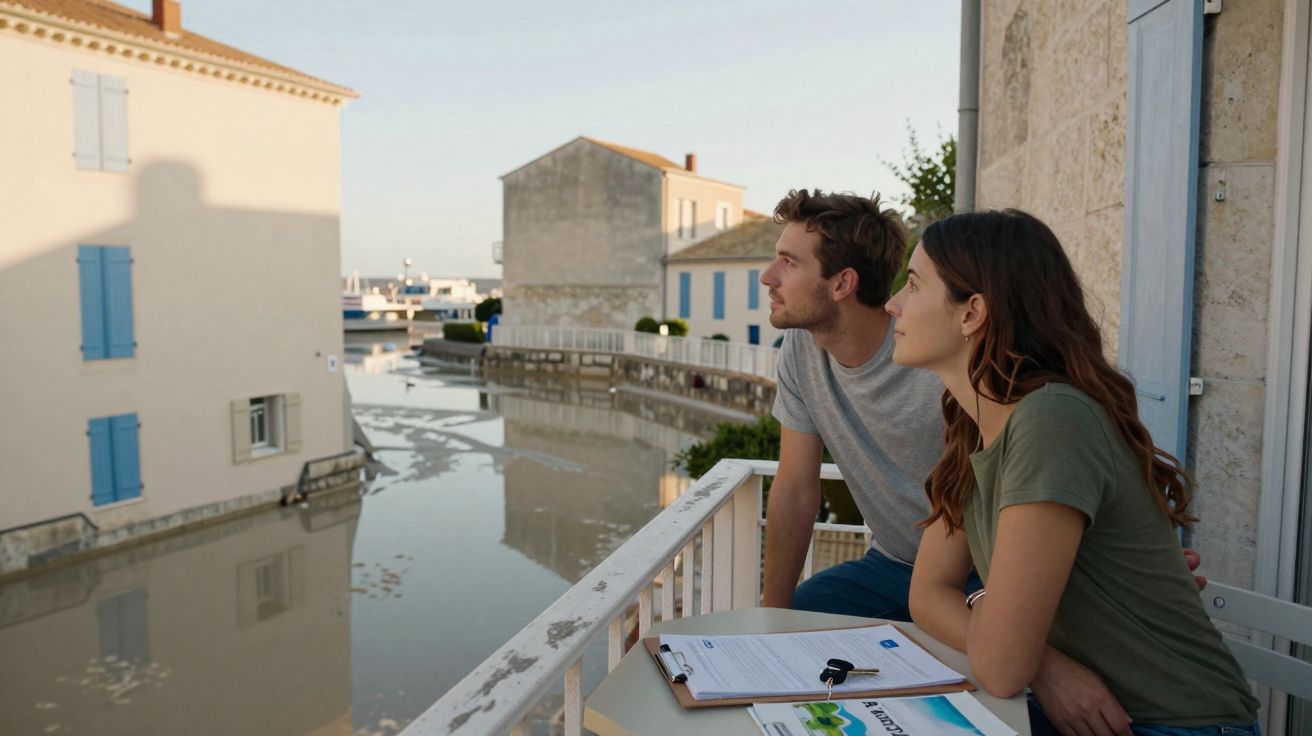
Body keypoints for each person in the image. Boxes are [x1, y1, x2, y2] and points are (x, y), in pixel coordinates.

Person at [888, 209, 1260, 736]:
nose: (893, 303)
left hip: (1171, 724)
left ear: (972, 312)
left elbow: (1000, 665)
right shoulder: (977, 427)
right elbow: (927, 594)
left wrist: (1016, 641)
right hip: (1070, 711)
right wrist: (1047, 664)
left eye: (914, 284)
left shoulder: (1051, 419)